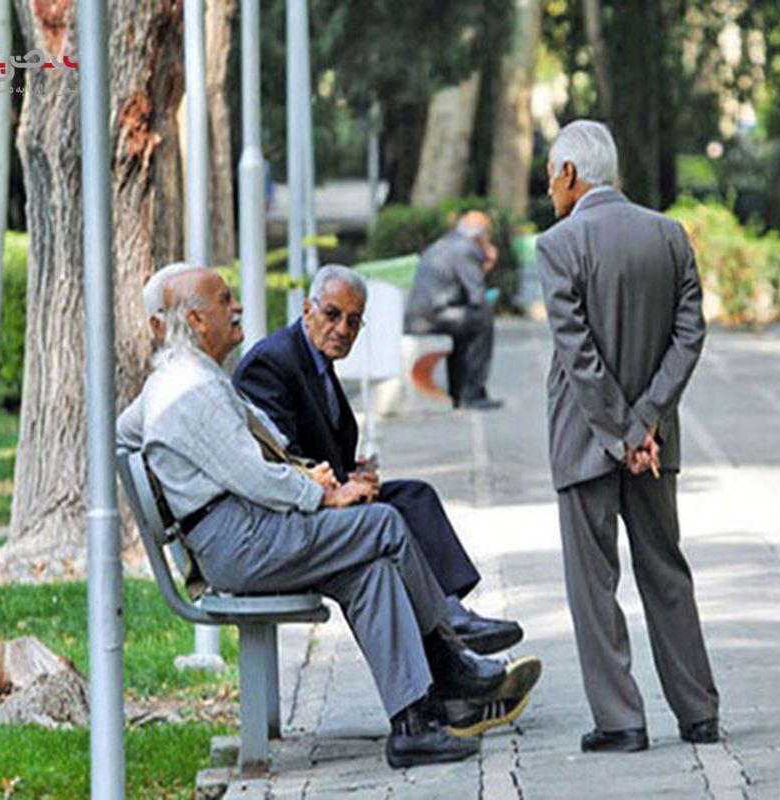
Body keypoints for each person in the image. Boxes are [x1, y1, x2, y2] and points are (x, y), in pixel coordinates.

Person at [117, 266, 540, 767]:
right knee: (382, 523)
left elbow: (126, 431)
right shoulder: (191, 389)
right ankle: (450, 662)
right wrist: (322, 497)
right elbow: (253, 476)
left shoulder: (184, 378)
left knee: (371, 570)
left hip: (244, 532)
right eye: (225, 300)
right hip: (240, 542)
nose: (238, 308)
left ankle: (412, 724)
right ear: (196, 319)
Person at [537, 120, 720, 753]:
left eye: (550, 173)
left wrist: (620, 429)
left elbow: (578, 354)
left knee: (594, 584)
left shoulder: (558, 245)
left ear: (569, 174)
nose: (548, 187)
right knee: (667, 572)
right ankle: (699, 713)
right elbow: (689, 336)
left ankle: (621, 721)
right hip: (653, 442)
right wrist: (645, 423)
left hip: (587, 438)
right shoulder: (668, 235)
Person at [233, 265, 525, 658]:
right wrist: (338, 486)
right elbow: (279, 455)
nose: (343, 329)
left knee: (415, 497)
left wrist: (353, 471)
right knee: (389, 529)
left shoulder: (316, 362)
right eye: (332, 315)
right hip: (293, 515)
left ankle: (451, 617)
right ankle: (450, 638)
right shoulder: (273, 362)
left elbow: (318, 441)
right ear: (307, 310)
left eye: (354, 322)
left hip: (327, 496)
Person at [405, 212, 502, 410]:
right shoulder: (467, 249)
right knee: (482, 318)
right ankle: (472, 394)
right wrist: (487, 262)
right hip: (435, 317)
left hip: (421, 317)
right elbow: (478, 297)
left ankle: (458, 392)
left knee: (467, 324)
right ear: (482, 236)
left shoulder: (445, 243)